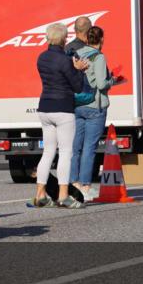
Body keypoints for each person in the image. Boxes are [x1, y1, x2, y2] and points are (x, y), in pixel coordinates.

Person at [32, 23, 90, 208]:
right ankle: (63, 195)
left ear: (48, 37)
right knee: (66, 152)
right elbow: (77, 87)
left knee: (48, 151)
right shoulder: (65, 60)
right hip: (63, 108)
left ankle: (40, 193)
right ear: (64, 39)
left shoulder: (41, 58)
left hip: (45, 108)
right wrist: (79, 70)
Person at [69, 26, 123, 198]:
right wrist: (113, 81)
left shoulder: (77, 54)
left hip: (77, 105)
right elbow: (101, 84)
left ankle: (72, 182)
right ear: (102, 39)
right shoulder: (99, 57)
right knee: (89, 148)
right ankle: (85, 185)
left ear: (86, 38)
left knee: (75, 147)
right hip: (94, 107)